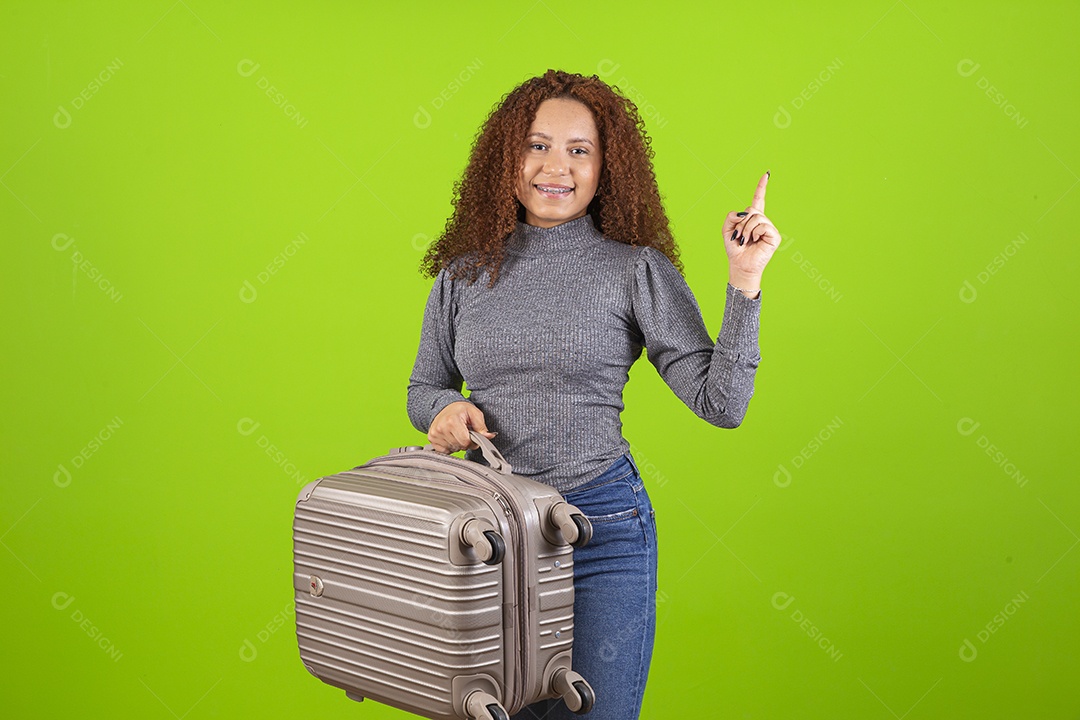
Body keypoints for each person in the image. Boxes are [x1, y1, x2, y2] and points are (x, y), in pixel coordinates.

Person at [406, 68, 781, 719]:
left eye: (579, 150)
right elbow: (424, 386)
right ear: (507, 159)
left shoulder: (635, 269)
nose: (556, 166)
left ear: (608, 168)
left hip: (600, 529)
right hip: (489, 536)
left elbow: (721, 405)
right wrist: (443, 409)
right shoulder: (462, 274)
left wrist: (744, 281)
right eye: (537, 145)